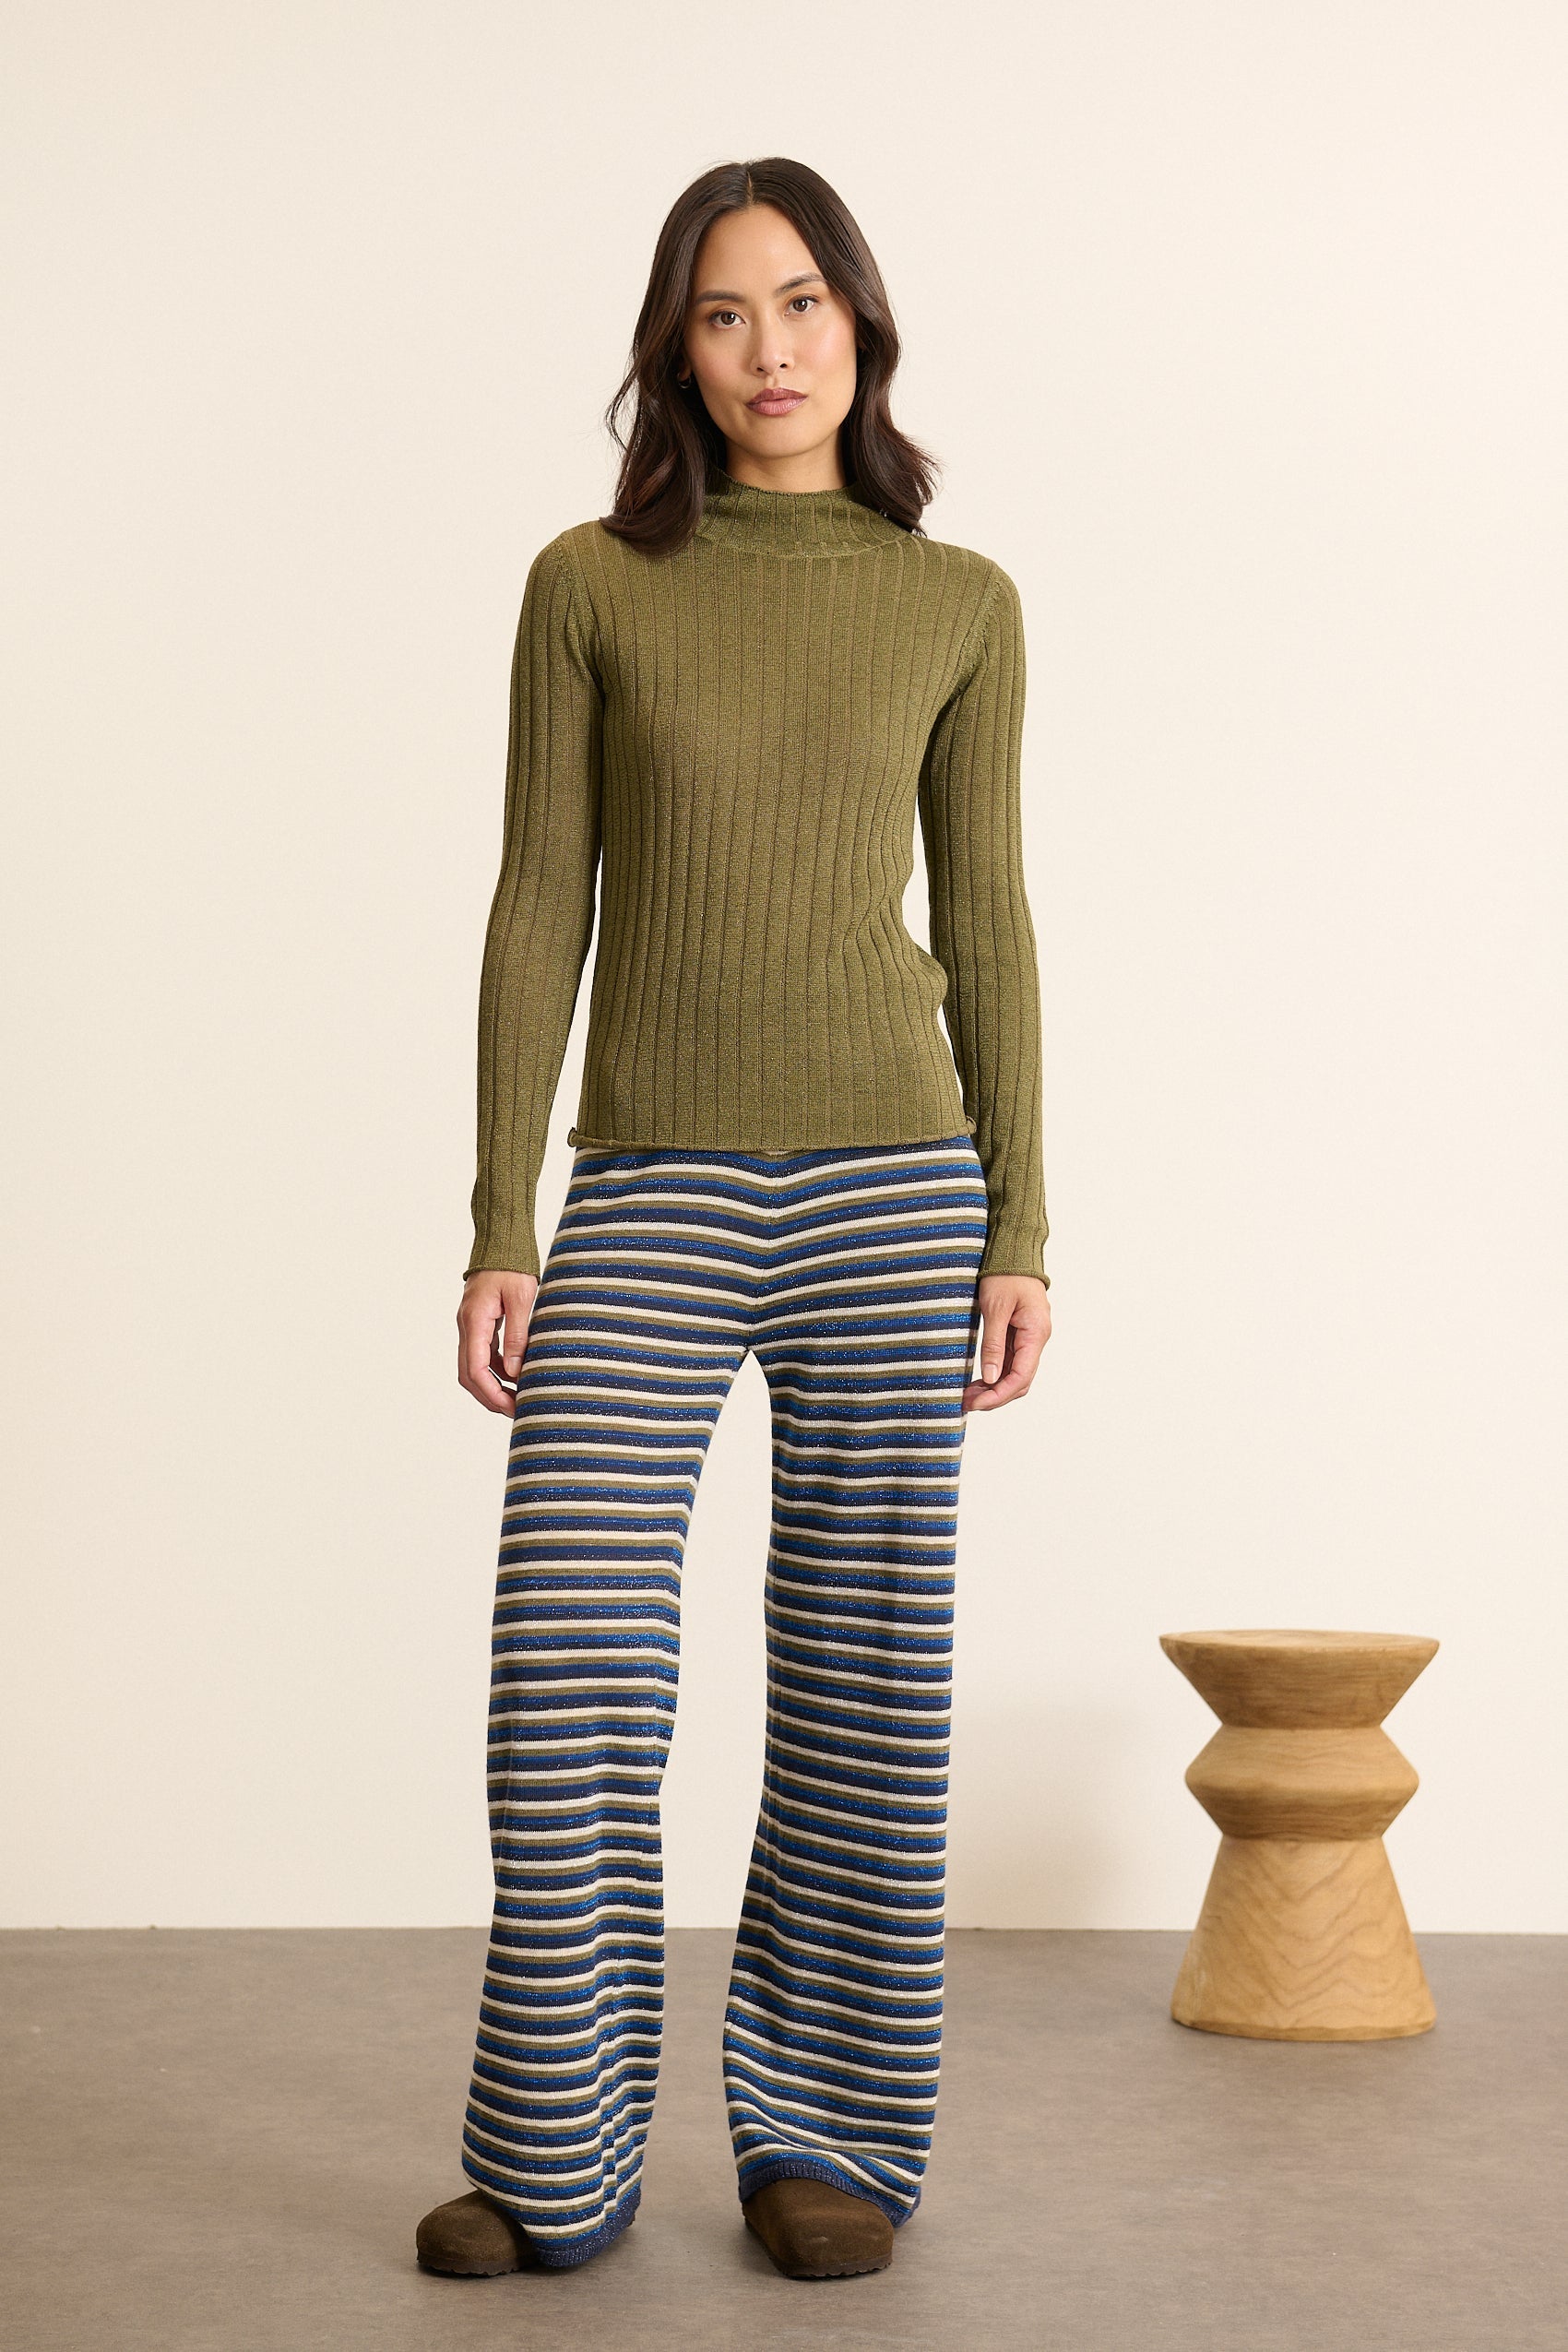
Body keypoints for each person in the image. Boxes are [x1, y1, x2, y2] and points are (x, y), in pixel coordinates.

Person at [415, 154, 1052, 2287]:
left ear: (859, 326)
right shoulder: (590, 584)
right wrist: (502, 1216)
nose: (767, 348)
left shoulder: (958, 602)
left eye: (800, 303)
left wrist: (1022, 1223)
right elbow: (539, 901)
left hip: (895, 1181)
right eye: (720, 311)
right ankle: (554, 2159)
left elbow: (988, 918)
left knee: (866, 1673)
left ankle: (831, 2144)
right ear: (673, 351)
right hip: (650, 1187)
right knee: (570, 1651)